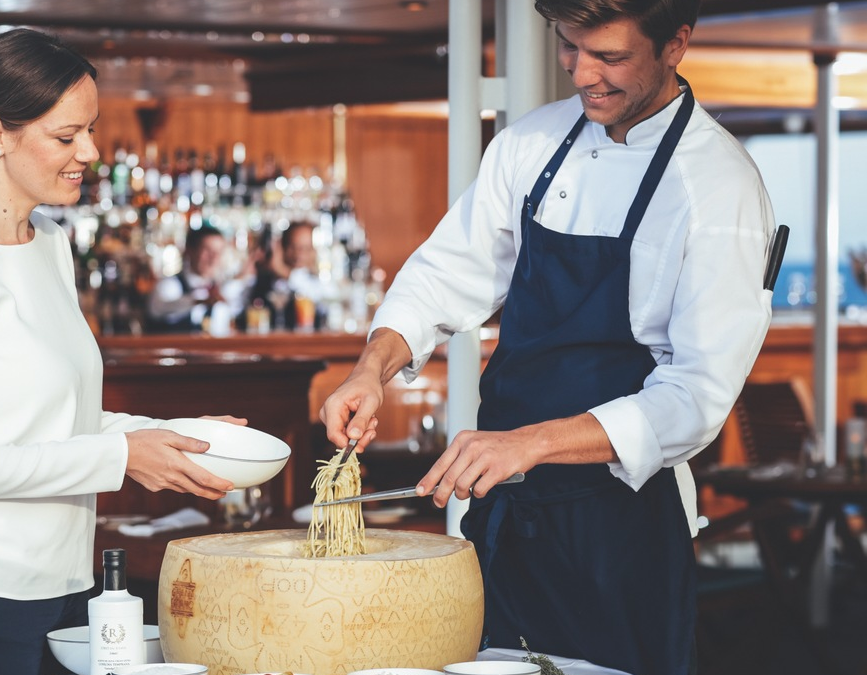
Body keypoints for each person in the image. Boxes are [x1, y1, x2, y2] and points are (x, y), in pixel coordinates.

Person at [319, 2, 775, 674]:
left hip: (621, 533)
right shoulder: (532, 144)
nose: (584, 74)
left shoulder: (719, 187)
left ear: (675, 44)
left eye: (610, 57)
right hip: (506, 519)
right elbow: (445, 274)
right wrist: (371, 367)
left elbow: (695, 399)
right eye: (570, 49)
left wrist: (531, 442)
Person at [0, 28, 236, 675]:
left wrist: (175, 434)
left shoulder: (48, 242)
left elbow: (50, 422)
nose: (91, 152)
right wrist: (122, 455)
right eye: (67, 136)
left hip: (65, 593)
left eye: (91, 131)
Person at [145, 224, 246, 333]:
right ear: (190, 251)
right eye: (207, 251)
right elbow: (160, 309)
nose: (214, 258)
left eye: (219, 252)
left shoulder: (220, 290)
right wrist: (197, 301)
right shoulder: (169, 285)